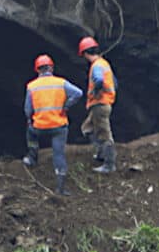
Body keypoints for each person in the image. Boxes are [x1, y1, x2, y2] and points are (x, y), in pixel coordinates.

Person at [23, 54, 82, 195]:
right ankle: (60, 188)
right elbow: (78, 93)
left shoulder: (31, 86)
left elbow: (27, 110)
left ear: (37, 70)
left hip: (39, 127)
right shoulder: (61, 83)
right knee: (59, 154)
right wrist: (66, 106)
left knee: (30, 133)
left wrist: (31, 119)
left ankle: (32, 157)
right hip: (59, 126)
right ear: (51, 68)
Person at [77, 36, 117, 173]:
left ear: (86, 53)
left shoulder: (97, 66)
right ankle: (100, 154)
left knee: (104, 134)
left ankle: (109, 164)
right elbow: (115, 83)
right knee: (87, 128)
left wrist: (95, 93)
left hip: (100, 105)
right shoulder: (105, 63)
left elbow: (99, 80)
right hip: (102, 105)